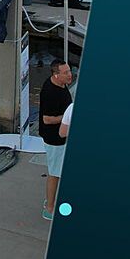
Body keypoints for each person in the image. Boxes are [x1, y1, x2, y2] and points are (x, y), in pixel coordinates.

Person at [39, 60, 73, 220]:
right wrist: (67, 118)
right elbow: (47, 119)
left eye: (69, 71)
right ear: (56, 75)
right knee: (55, 173)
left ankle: (51, 203)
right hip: (54, 139)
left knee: (57, 170)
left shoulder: (61, 84)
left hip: (61, 136)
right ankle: (49, 209)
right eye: (66, 73)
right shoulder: (50, 92)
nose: (70, 75)